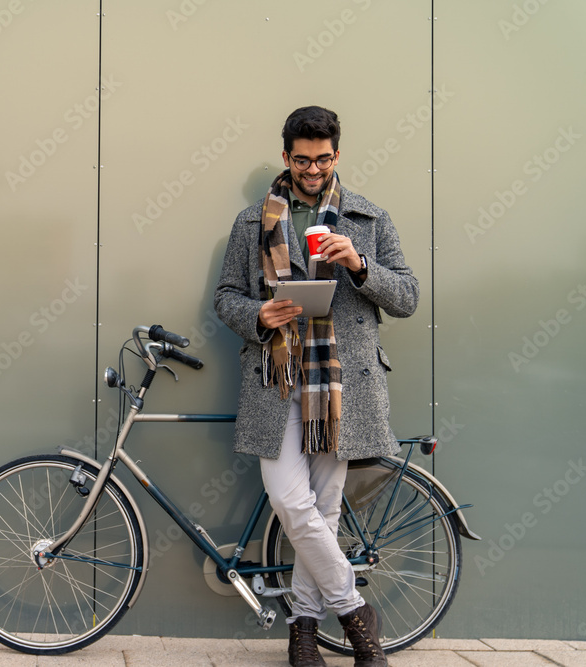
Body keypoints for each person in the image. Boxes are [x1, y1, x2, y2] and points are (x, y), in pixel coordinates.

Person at [214, 106, 418, 667]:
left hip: (340, 383)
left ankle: (302, 631)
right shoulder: (252, 223)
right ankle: (355, 611)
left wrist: (360, 264)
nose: (313, 169)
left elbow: (407, 298)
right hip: (276, 379)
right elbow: (226, 297)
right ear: (286, 157)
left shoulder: (368, 218)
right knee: (289, 499)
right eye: (302, 159)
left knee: (323, 509)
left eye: (323, 159)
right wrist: (259, 315)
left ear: (337, 155)